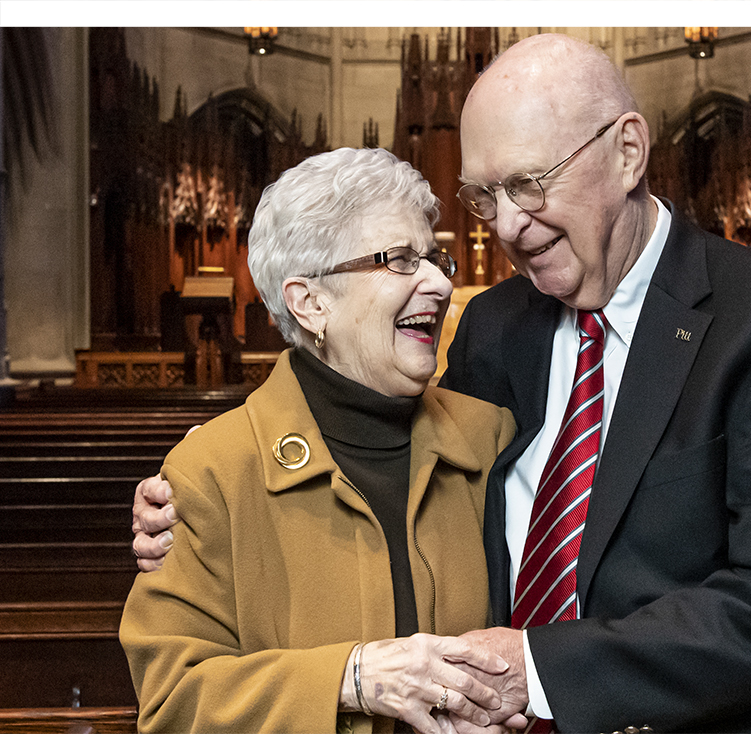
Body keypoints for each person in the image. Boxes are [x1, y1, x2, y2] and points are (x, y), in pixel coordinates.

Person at [133, 34, 751, 733]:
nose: (508, 226)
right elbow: (394, 445)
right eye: (484, 198)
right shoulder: (493, 326)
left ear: (627, 152)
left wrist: (539, 670)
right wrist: (212, 473)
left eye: (528, 183)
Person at [120, 148, 523, 733]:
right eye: (400, 260)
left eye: (435, 258)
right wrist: (349, 679)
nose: (437, 281)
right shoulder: (214, 469)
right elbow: (173, 700)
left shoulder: (491, 438)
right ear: (310, 303)